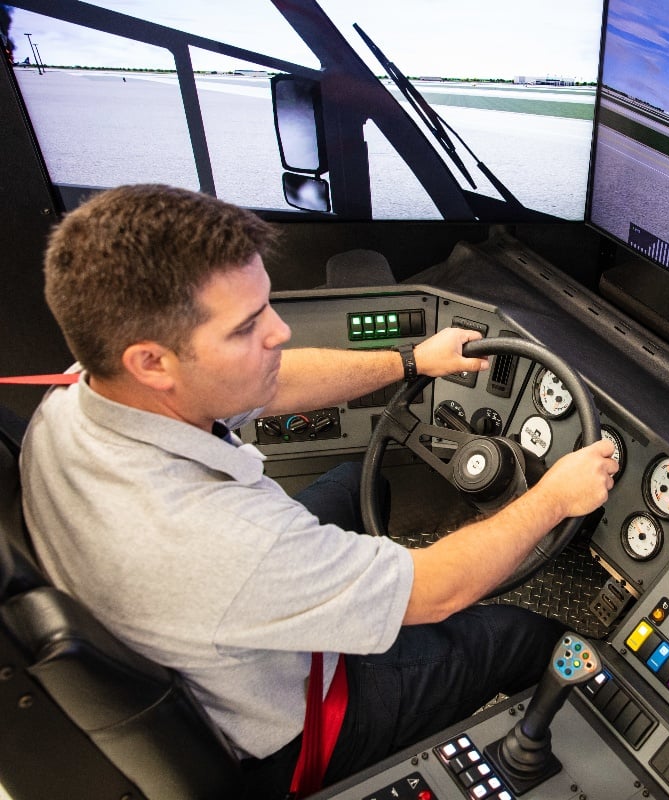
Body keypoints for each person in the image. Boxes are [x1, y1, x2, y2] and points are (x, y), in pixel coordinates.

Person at [19, 184, 618, 797]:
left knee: (363, 482)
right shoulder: (223, 539)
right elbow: (438, 590)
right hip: (294, 723)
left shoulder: (76, 397)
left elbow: (269, 384)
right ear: (153, 363)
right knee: (521, 636)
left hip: (206, 628)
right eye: (248, 327)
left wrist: (410, 361)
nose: (279, 331)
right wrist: (556, 498)